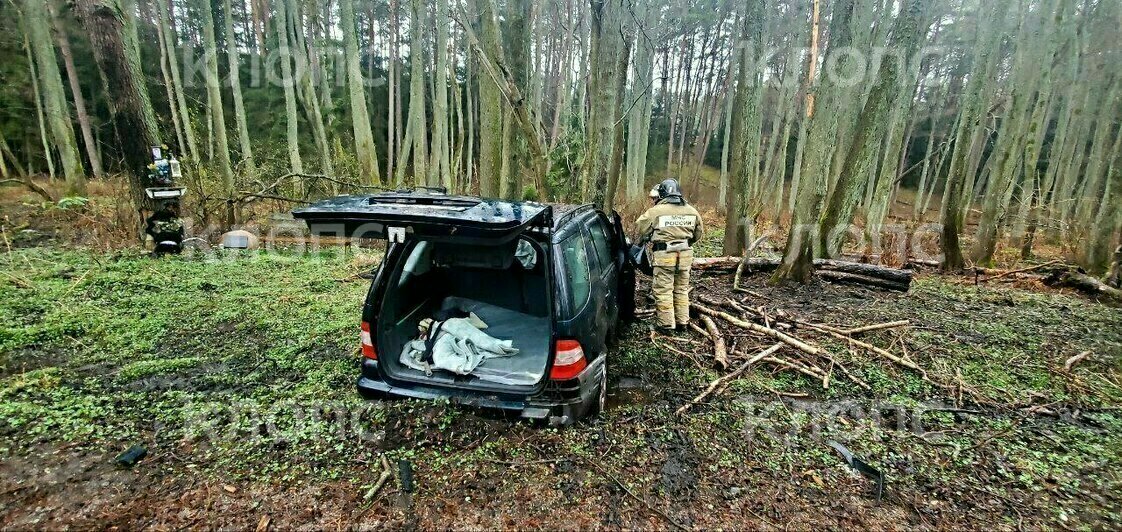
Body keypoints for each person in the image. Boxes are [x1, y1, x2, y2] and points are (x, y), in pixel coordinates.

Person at [636, 179, 704, 331]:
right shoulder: (692, 211)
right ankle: (682, 323)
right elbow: (698, 234)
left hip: (664, 255)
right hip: (685, 256)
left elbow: (641, 228)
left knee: (664, 290)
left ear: (662, 194)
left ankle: (666, 325)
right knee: (681, 289)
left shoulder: (656, 212)